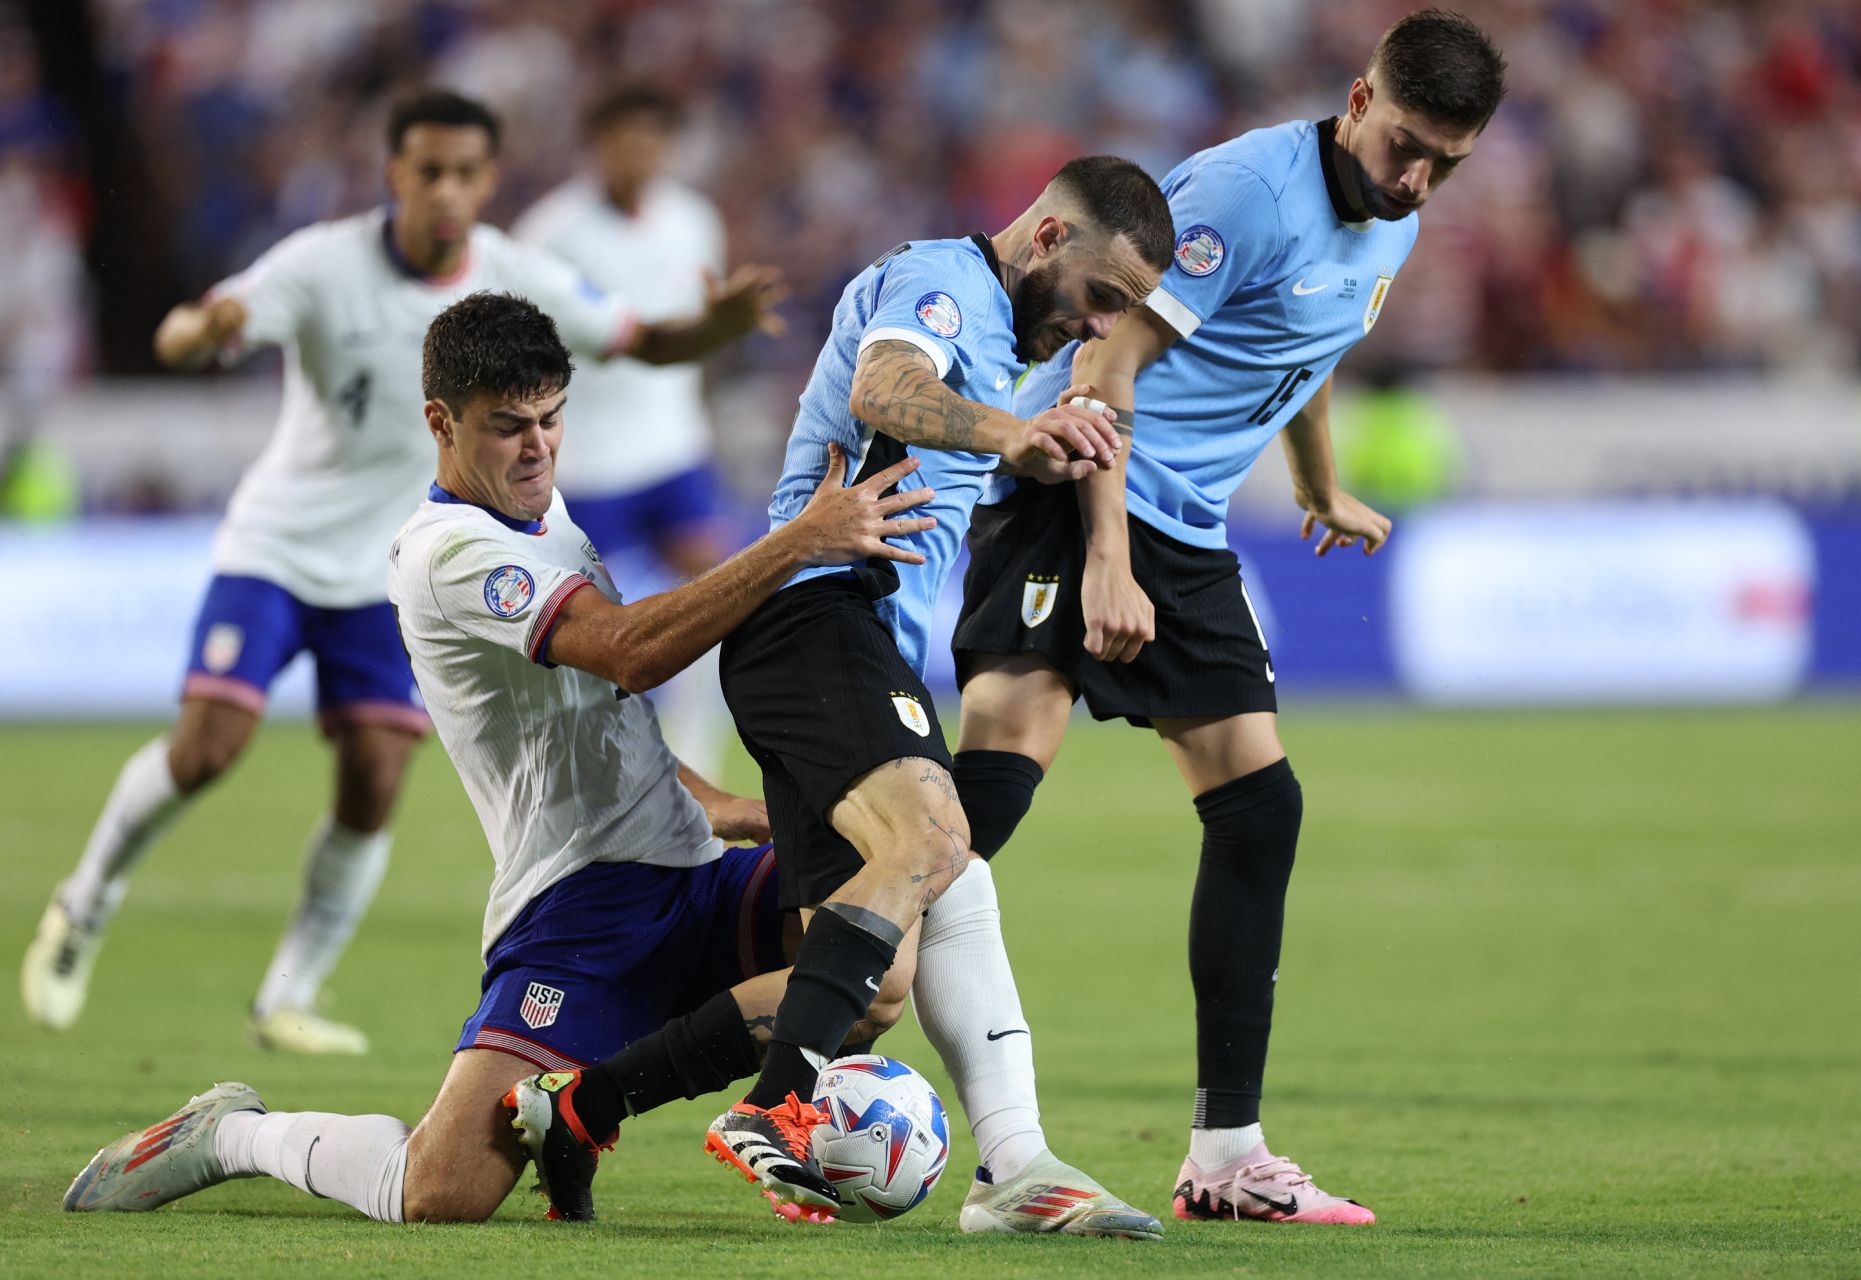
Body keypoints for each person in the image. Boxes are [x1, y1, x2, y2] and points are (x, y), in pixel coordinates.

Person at [61, 291, 932, 1224]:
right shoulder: (448, 551)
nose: (539, 446)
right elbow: (631, 652)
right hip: (578, 911)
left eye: (552, 419)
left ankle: (1003, 1151)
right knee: (439, 1193)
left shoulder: (543, 511)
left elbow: (597, 708)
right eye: (508, 426)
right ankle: (231, 1132)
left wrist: (727, 808)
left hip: (686, 878)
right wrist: (800, 541)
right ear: (441, 422)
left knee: (880, 949)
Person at [20, 89, 784, 1054]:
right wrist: (194, 333)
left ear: (488, 180)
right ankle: (83, 907)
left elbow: (639, 339)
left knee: (375, 773)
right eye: (430, 172)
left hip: (398, 571)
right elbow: (207, 321)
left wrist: (712, 327)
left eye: (467, 174)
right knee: (210, 743)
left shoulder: (515, 269)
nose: (448, 192)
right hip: (280, 546)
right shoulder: (320, 263)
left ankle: (288, 993)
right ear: (397, 175)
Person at [949, 9, 1508, 1226]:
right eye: (1407, 145)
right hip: (1073, 488)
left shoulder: (1387, 215)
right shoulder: (1244, 194)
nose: (1417, 179)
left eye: (1445, 164)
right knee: (968, 809)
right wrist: (1107, 559)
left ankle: (1224, 1155)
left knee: (1259, 808)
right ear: (1359, 102)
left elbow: (1292, 348)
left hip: (1185, 529)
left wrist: (1314, 480)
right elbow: (1105, 368)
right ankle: (764, 1002)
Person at [703, 156, 1174, 1237]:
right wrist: (1017, 433)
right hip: (816, 610)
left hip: (853, 639)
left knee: (887, 967)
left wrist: (1064, 491)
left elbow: (961, 439)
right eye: (1104, 296)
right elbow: (885, 391)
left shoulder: (1008, 345)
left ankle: (584, 1100)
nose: (1103, 327)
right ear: (1050, 238)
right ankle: (775, 1107)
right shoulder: (946, 284)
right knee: (936, 841)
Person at [513, 83, 739, 778]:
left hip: (673, 448)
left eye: (653, 139)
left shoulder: (695, 221)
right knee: (576, 626)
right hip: (586, 460)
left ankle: (696, 754)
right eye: (624, 138)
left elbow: (705, 334)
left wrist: (707, 420)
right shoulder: (551, 233)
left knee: (723, 590)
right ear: (597, 145)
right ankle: (573, 763)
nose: (639, 153)